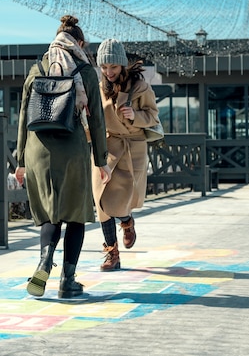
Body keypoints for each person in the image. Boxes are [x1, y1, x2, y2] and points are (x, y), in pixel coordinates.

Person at [15, 15, 111, 298]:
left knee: (50, 213)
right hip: (71, 147)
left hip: (37, 150)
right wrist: (101, 159)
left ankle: (45, 259)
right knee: (75, 214)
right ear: (79, 43)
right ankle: (67, 281)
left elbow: (23, 115)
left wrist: (21, 160)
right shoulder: (85, 71)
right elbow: (97, 120)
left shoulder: (37, 68)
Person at [91, 38, 160, 271]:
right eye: (104, 67)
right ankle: (112, 253)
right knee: (101, 201)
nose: (108, 72)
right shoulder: (98, 88)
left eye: (113, 67)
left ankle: (127, 222)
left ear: (122, 65)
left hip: (132, 148)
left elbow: (153, 117)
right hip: (106, 148)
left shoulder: (140, 86)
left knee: (121, 203)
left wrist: (135, 115)